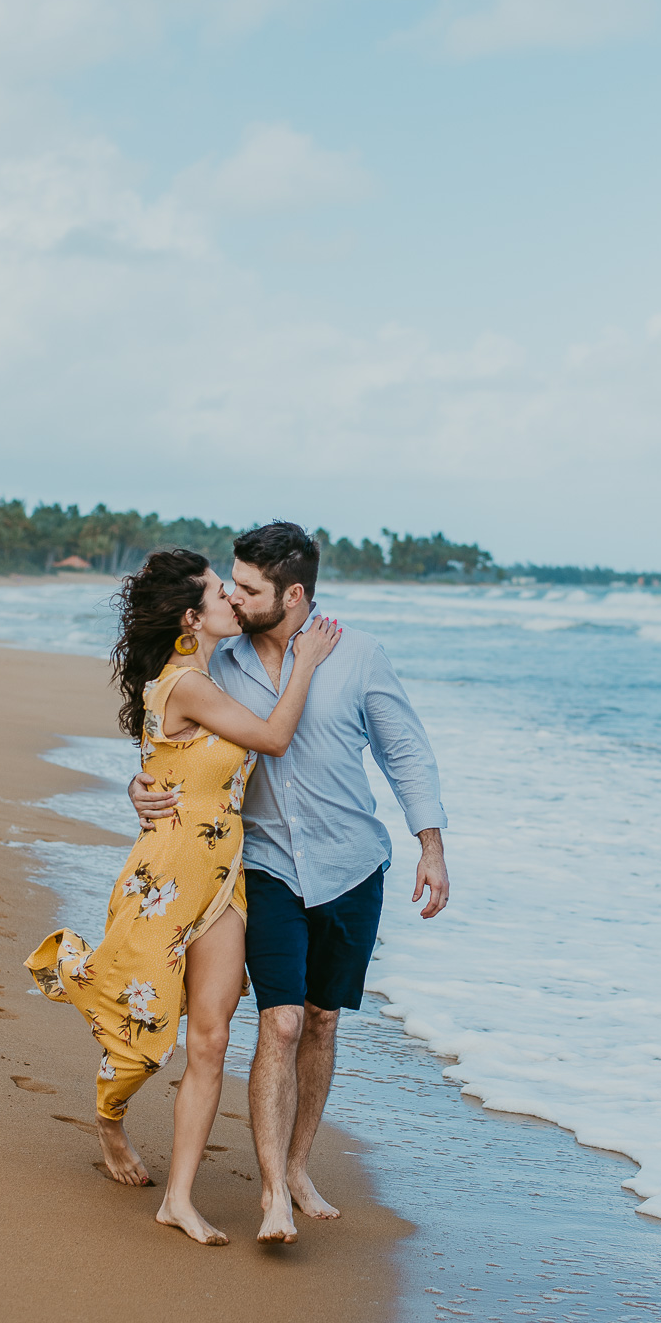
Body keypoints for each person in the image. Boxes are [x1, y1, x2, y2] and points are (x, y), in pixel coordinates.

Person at [130, 521, 449, 1244]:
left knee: (323, 1021)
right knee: (280, 1020)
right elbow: (171, 742)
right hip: (266, 866)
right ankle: (273, 1192)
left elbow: (405, 753)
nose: (235, 599)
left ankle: (299, 1166)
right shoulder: (222, 664)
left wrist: (431, 845)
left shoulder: (360, 656)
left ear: (293, 593)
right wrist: (138, 786)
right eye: (231, 587)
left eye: (249, 588)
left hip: (351, 867)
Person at [25, 547, 341, 1246]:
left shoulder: (203, 676)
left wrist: (138, 783)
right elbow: (275, 739)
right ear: (192, 618)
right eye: (218, 592)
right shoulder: (185, 685)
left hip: (224, 883)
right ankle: (110, 1121)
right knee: (146, 1041)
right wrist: (309, 662)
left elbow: (170, 765)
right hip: (167, 880)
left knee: (211, 1038)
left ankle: (178, 1199)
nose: (233, 596)